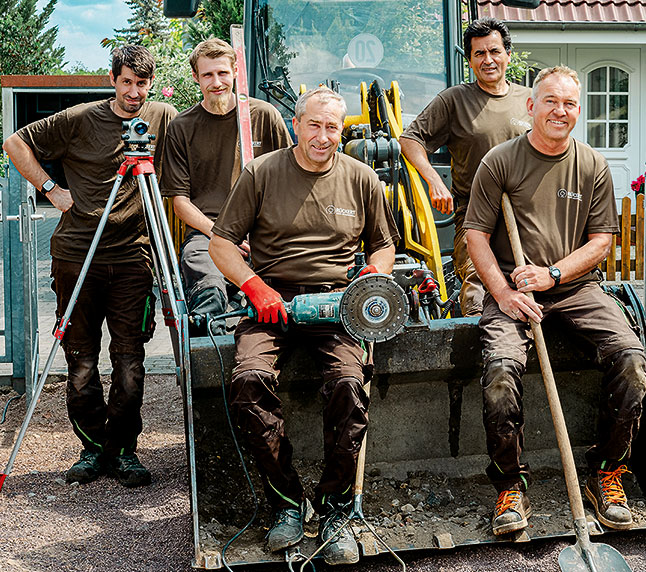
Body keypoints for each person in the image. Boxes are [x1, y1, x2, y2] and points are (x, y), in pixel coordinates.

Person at [208, 86, 398, 565]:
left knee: (350, 385)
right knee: (248, 382)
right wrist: (256, 289)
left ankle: (335, 509)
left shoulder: (362, 179)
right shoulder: (262, 173)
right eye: (314, 124)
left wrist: (375, 273)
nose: (323, 135)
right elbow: (222, 245)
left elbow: (383, 247)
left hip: (338, 304)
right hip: (271, 302)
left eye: (332, 127)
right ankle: (288, 503)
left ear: (342, 130)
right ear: (297, 124)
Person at [464, 66, 646, 536]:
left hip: (575, 288)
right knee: (501, 372)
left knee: (631, 359)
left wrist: (553, 274)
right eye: (550, 101)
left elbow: (602, 241)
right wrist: (503, 292)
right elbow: (475, 236)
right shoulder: (500, 161)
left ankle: (606, 473)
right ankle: (510, 486)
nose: (559, 111)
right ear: (531, 106)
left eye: (569, 103)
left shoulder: (591, 165)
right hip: (513, 293)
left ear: (578, 111)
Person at [2, 46, 177, 487]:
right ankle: (91, 447)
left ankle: (124, 450)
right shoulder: (80, 118)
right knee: (81, 357)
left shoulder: (163, 116)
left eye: (142, 83)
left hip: (133, 257)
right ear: (112, 80)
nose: (134, 92)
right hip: (77, 254)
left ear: (150, 84)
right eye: (126, 82)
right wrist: (49, 188)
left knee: (130, 359)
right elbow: (14, 143)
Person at [400, 17, 530, 317]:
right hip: (476, 218)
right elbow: (410, 140)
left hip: (528, 218)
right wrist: (434, 179)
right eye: (479, 54)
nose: (488, 60)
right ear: (469, 61)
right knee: (477, 290)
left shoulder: (530, 101)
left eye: (495, 51)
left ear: (508, 55)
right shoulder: (455, 100)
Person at [161, 38, 292, 335]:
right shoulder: (181, 127)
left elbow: (291, 180)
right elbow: (180, 203)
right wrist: (223, 238)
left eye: (222, 73)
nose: (216, 82)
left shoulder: (264, 116)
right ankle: (208, 338)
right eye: (207, 75)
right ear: (196, 77)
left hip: (264, 231)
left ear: (235, 71)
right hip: (208, 233)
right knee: (207, 284)